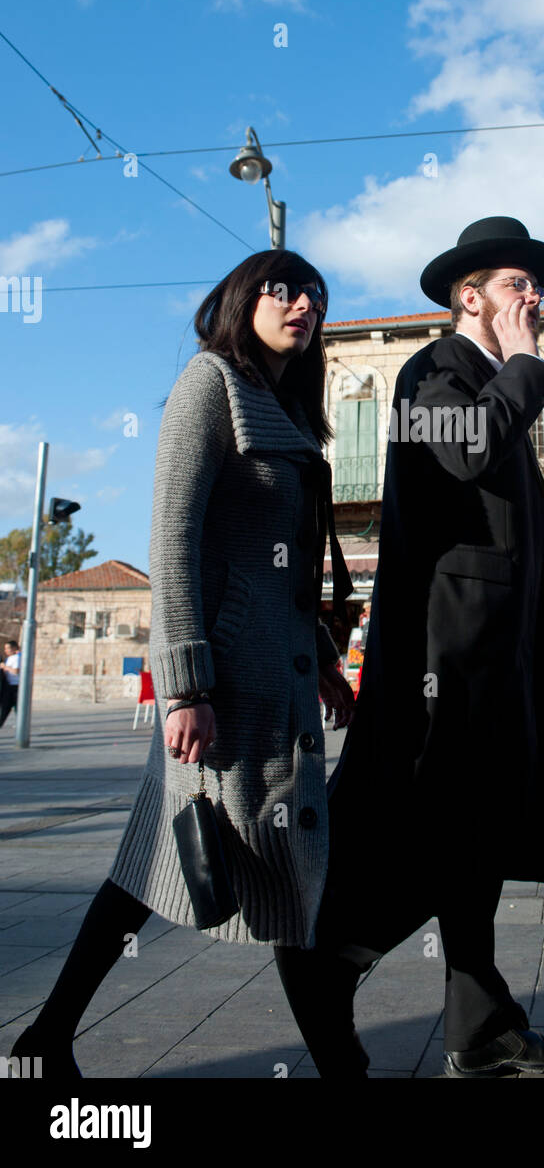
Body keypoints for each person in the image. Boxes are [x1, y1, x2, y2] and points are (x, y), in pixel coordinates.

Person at [9, 250, 356, 1079]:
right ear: (241, 297)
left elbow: (293, 569)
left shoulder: (289, 408)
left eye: (314, 293)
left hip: (282, 675)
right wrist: (185, 686)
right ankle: (346, 1071)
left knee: (171, 864)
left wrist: (327, 664)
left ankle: (43, 1040)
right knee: (277, 871)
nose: (301, 303)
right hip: (227, 684)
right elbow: (171, 539)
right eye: (282, 288)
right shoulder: (213, 382)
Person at [278, 215, 544, 1079]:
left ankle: (481, 1030)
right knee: (442, 822)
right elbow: (464, 451)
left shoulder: (489, 377)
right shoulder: (434, 371)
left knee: (478, 828)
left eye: (540, 286)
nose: (534, 297)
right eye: (516, 284)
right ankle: (336, 953)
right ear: (469, 295)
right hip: (443, 654)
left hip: (493, 651)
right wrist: (529, 364)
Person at [0, 639, 20, 729]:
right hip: (9, 686)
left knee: (18, 709)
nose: (6, 650)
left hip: (16, 686)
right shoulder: (9, 658)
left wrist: (5, 667)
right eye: (5, 649)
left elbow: (16, 671)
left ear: (14, 648)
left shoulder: (17, 658)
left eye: (8, 648)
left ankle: (21, 726)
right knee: (5, 708)